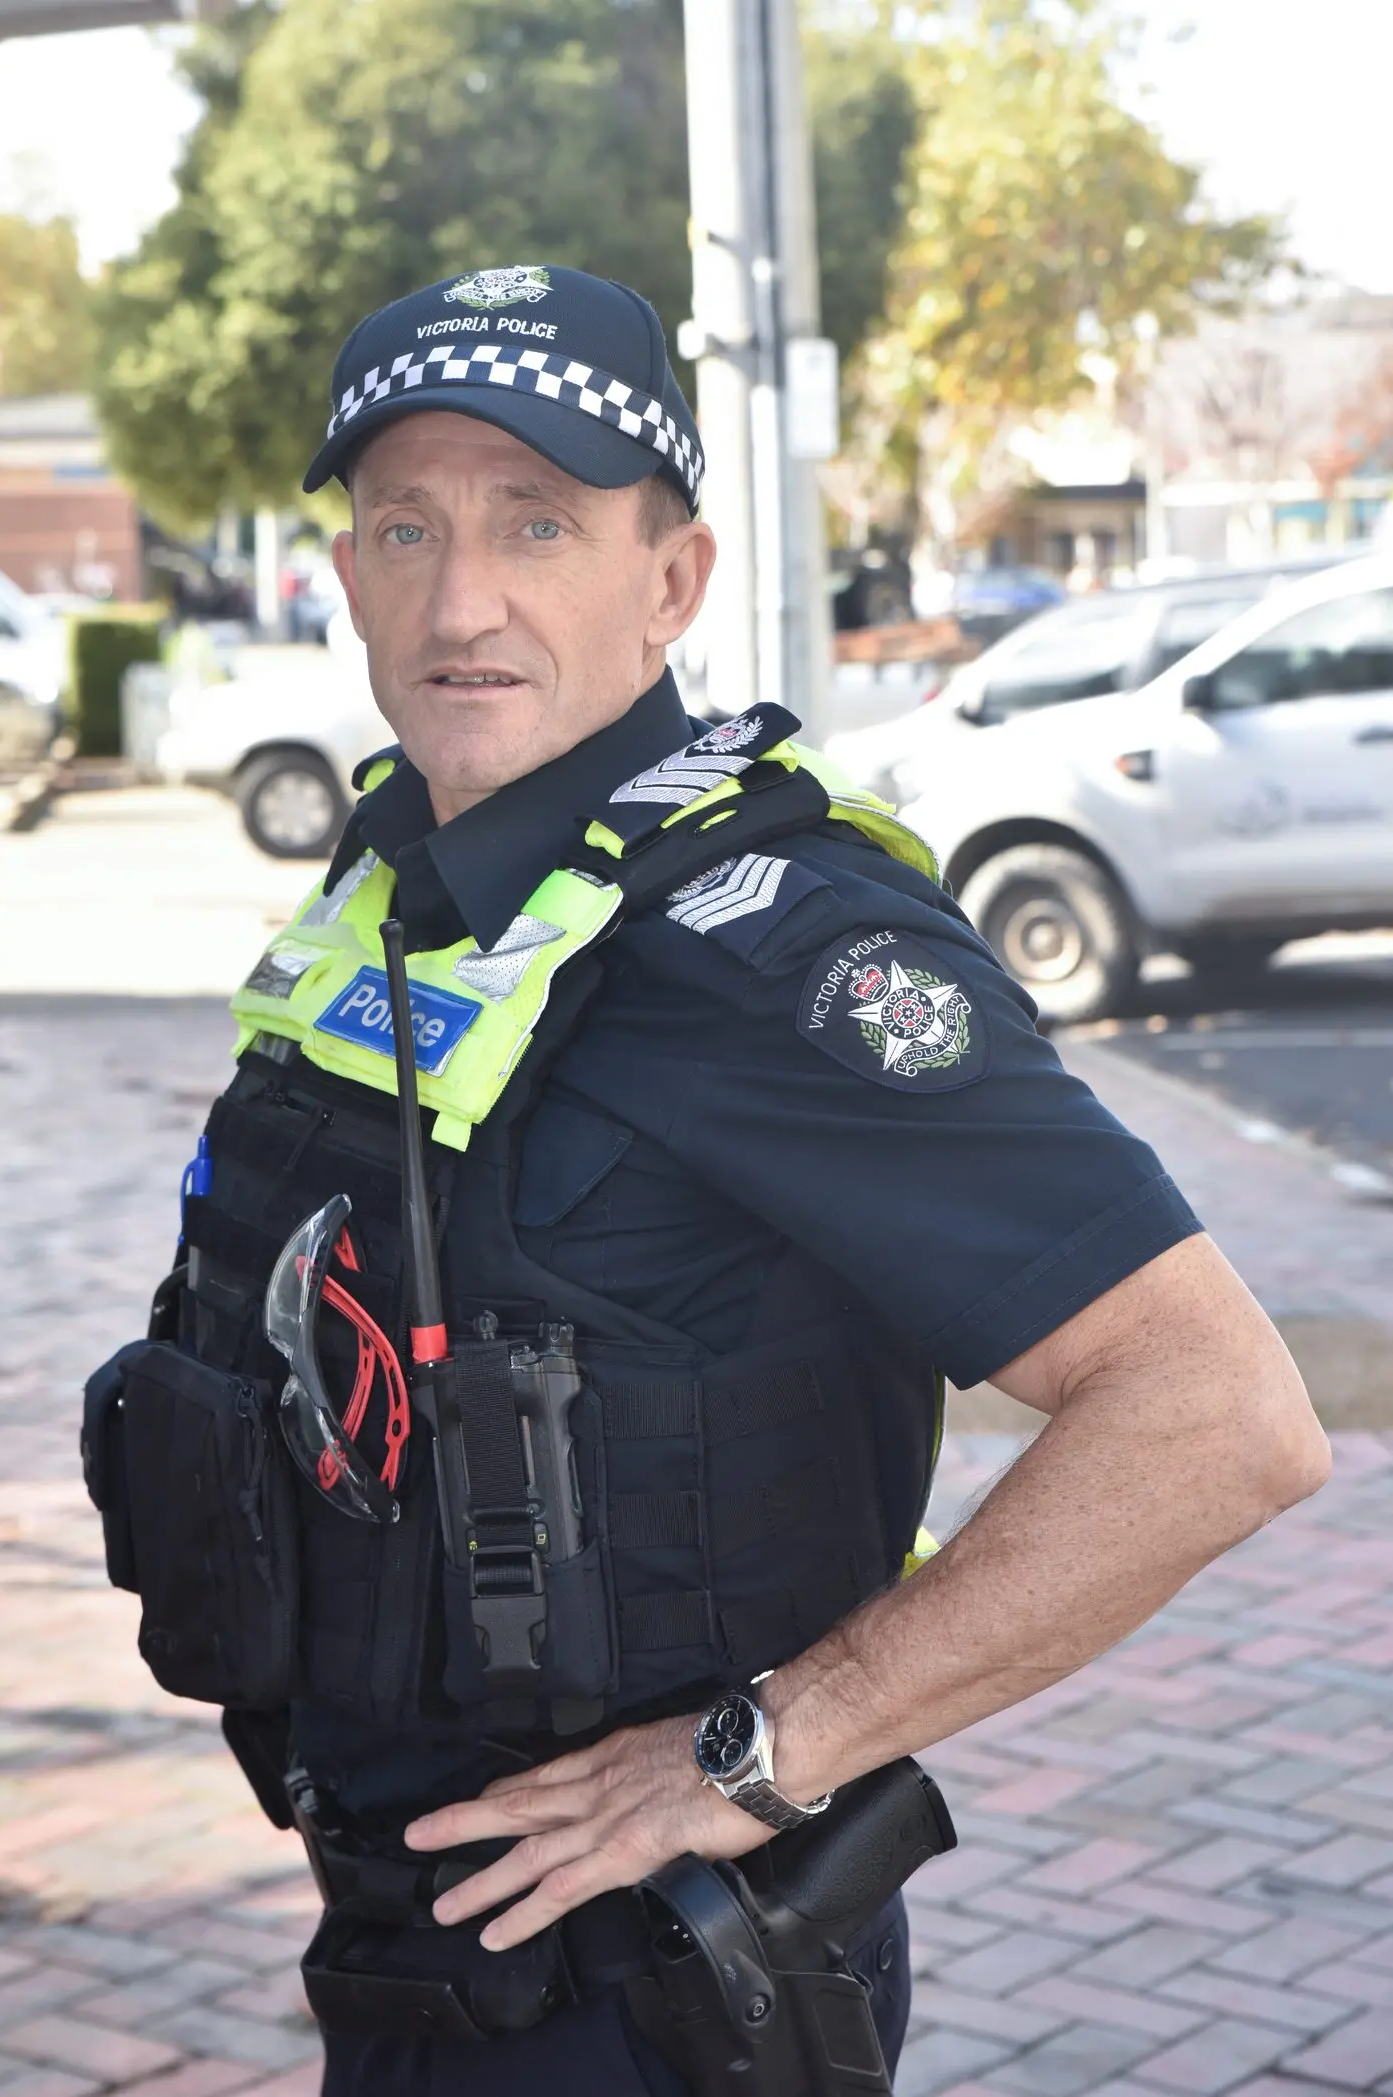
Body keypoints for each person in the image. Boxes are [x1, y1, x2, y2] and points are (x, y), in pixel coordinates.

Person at [83, 264, 1329, 2097]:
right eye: (405, 525)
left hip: (643, 1992)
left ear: (673, 582)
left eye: (539, 525)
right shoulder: (413, 893)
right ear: (343, 574)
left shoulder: (779, 949)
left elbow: (1218, 1413)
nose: (461, 595)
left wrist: (761, 1752)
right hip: (412, 1946)